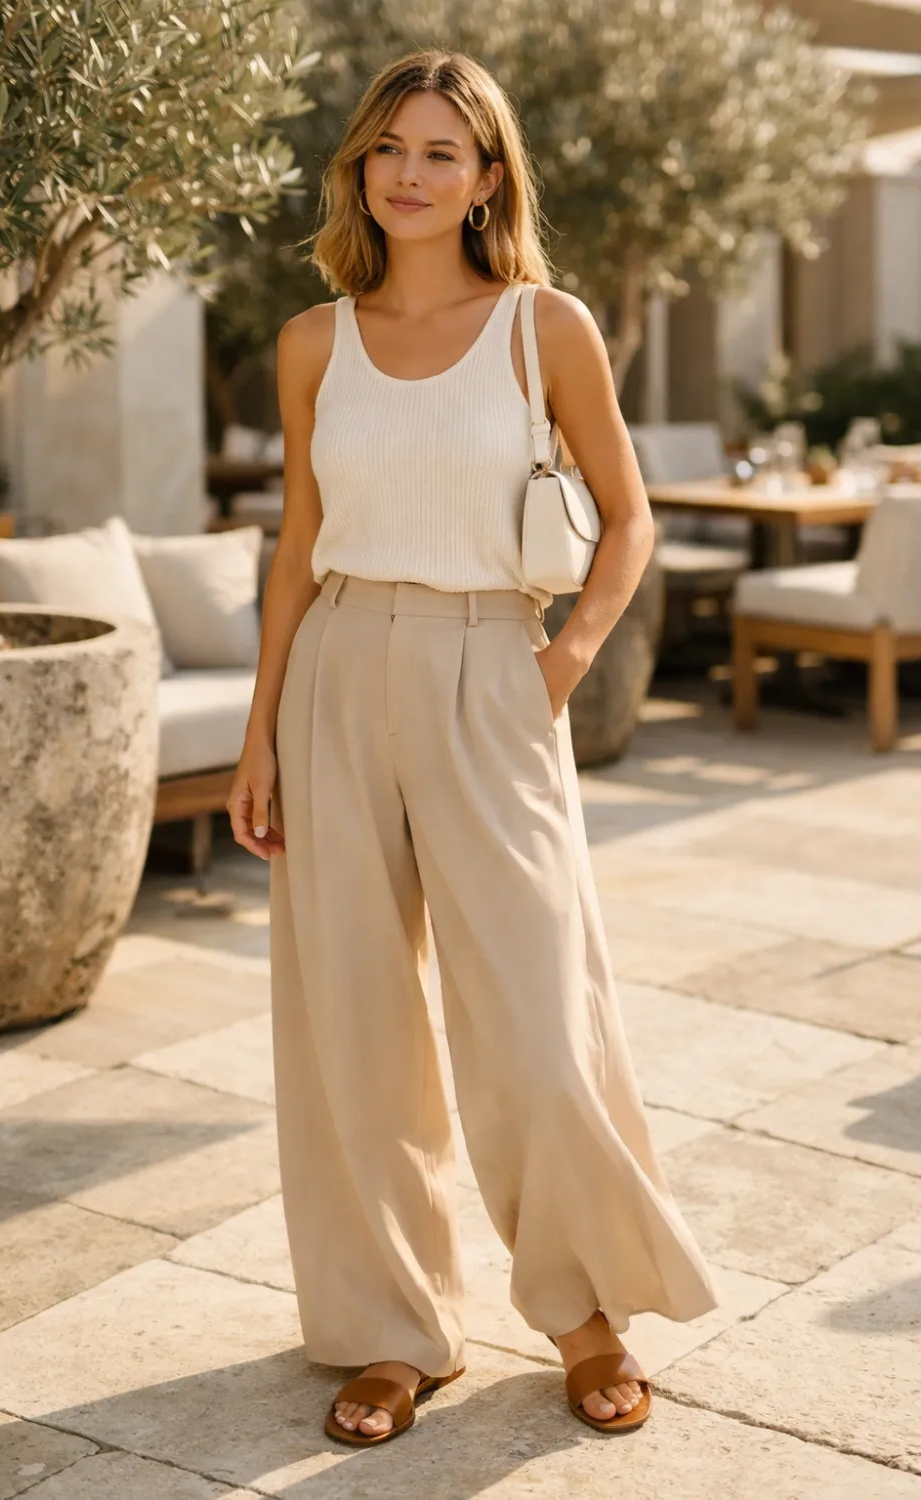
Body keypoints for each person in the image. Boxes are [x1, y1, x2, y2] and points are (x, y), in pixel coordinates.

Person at [228, 48, 719, 1448]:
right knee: (351, 1028)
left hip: (490, 669)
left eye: (443, 150)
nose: (410, 172)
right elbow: (297, 547)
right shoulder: (314, 341)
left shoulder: (542, 325)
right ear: (359, 168)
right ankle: (391, 1332)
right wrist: (262, 726)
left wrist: (561, 662)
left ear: (490, 173)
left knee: (534, 1016)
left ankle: (584, 1319)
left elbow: (627, 519)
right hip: (336, 667)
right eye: (388, 147)